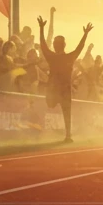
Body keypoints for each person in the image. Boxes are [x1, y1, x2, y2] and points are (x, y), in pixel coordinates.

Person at [38, 15, 91, 143]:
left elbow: (43, 45)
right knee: (63, 111)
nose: (56, 45)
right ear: (64, 45)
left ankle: (67, 135)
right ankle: (67, 135)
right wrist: (85, 34)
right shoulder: (66, 57)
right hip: (58, 89)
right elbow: (80, 47)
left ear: (58, 45)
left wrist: (41, 29)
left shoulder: (56, 56)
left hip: (59, 90)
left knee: (62, 110)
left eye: (56, 43)